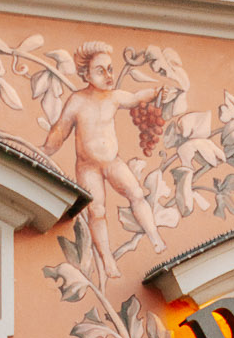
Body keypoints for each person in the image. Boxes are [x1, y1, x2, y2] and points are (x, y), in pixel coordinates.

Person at [40, 40, 167, 279]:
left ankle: (155, 236)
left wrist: (155, 93)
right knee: (97, 211)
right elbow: (61, 129)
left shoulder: (114, 97)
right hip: (88, 168)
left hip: (112, 162)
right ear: (85, 74)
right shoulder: (77, 101)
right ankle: (107, 259)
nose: (109, 75)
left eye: (110, 69)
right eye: (101, 70)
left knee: (136, 194)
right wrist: (46, 149)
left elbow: (136, 97)